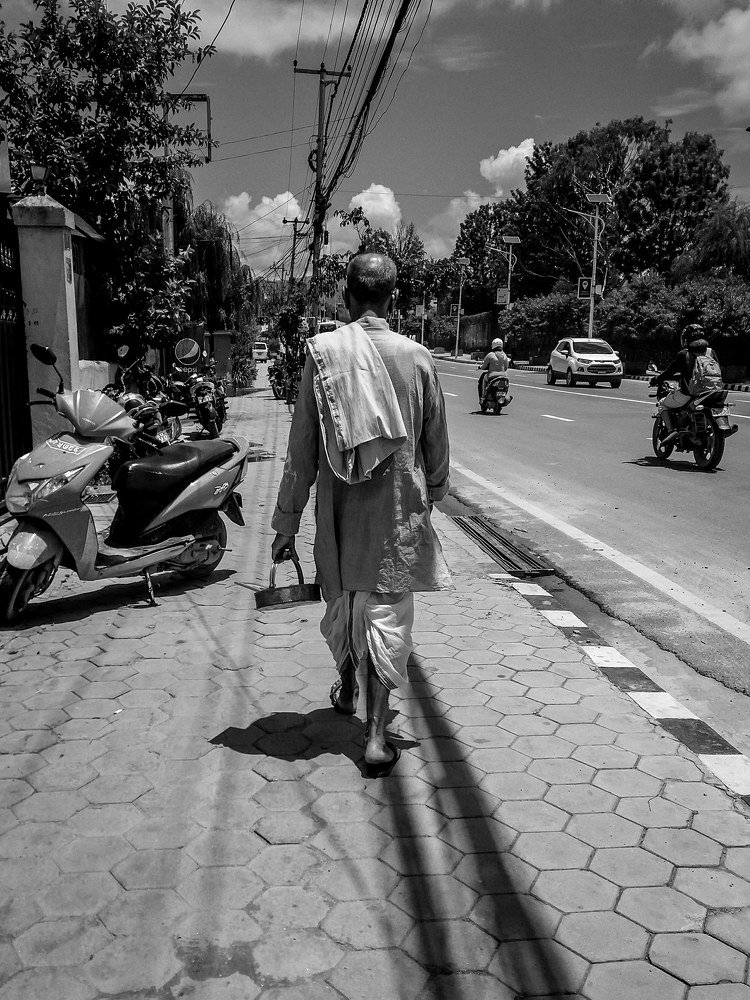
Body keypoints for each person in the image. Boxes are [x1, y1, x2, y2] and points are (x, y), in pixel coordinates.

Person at [271, 253, 451, 778]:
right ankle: (374, 738)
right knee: (385, 617)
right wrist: (435, 487)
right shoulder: (418, 357)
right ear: (392, 299)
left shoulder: (323, 354)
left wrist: (286, 523)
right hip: (396, 517)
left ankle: (347, 686)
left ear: (347, 298)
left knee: (346, 603)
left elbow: (301, 448)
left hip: (337, 516)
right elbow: (434, 439)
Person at [650, 324, 722, 428]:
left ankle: (670, 431)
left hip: (690, 394)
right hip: (713, 391)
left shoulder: (684, 354)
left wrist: (656, 380)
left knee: (662, 403)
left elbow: (669, 372)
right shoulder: (711, 352)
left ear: (685, 339)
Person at [478, 338, 510, 406]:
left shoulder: (490, 354)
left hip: (492, 376)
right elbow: (506, 367)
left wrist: (480, 367)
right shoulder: (504, 355)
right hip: (503, 376)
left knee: (484, 378)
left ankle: (483, 396)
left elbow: (484, 366)